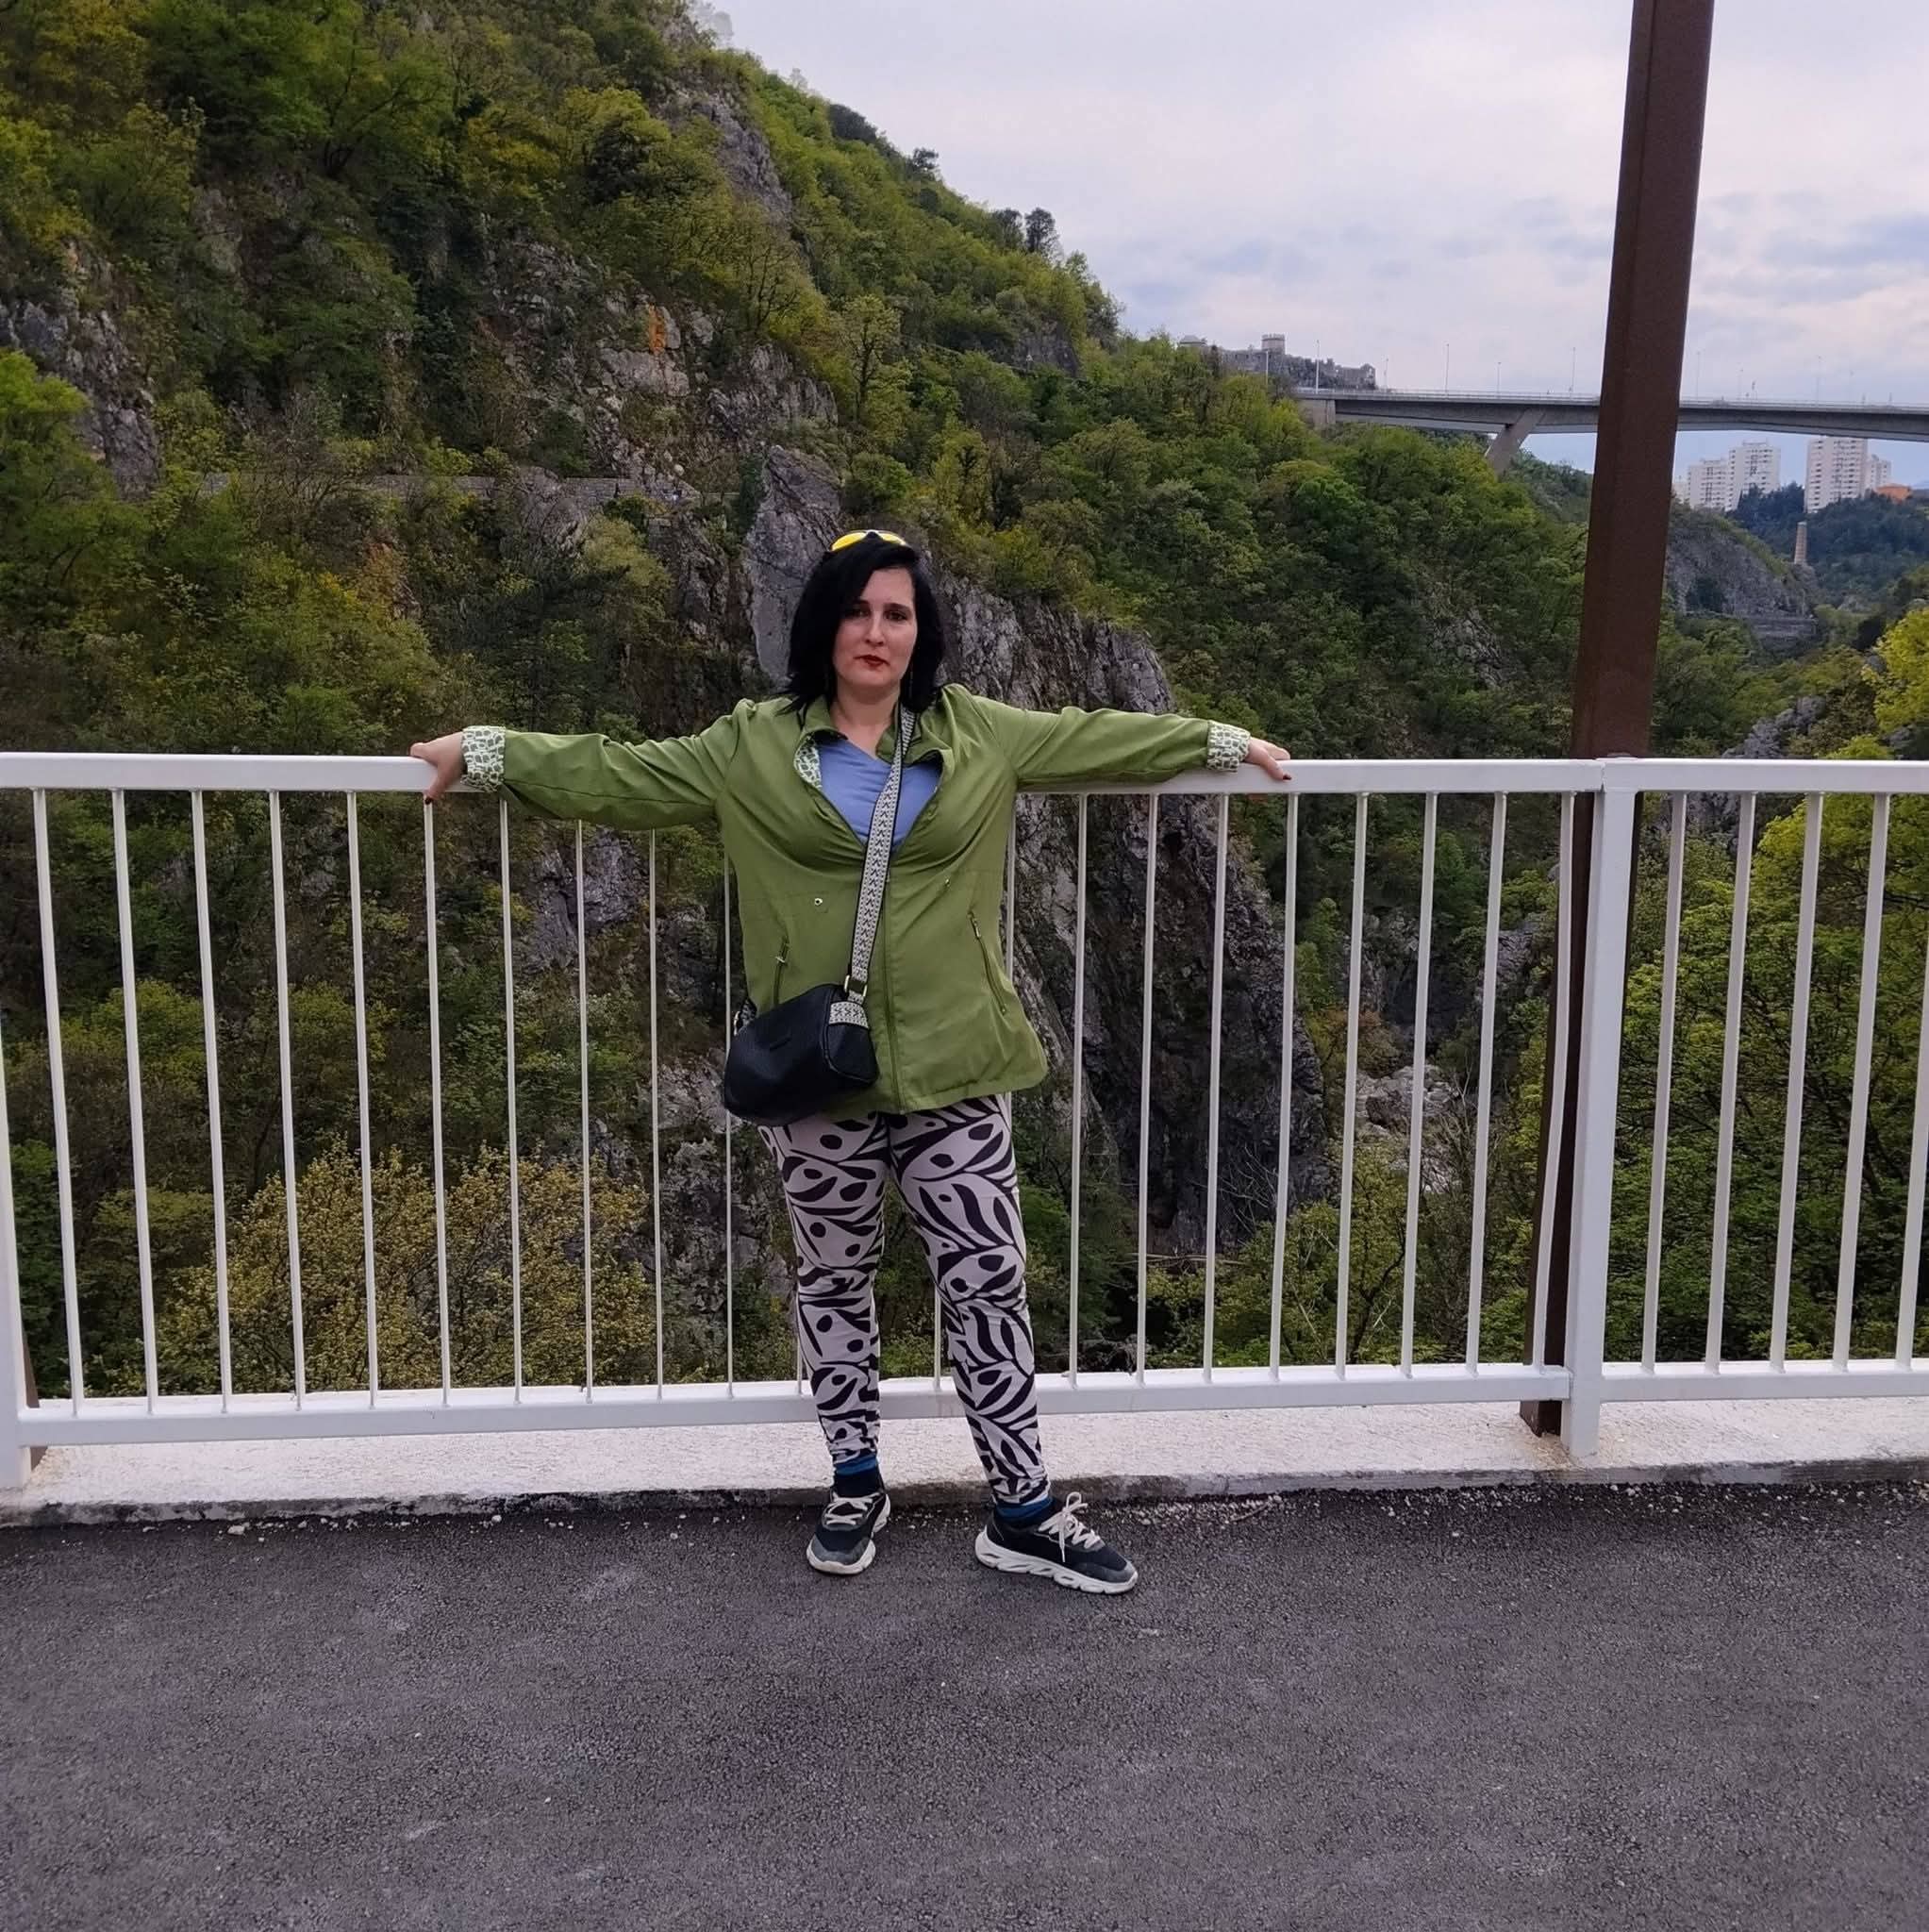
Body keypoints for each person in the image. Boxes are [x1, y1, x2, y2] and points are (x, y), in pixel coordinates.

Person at [412, 528, 1289, 1594]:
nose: (875, 631)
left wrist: (1219, 741)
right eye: (857, 610)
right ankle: (854, 1477)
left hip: (956, 1063)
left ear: (920, 632)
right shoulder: (751, 745)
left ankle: (1021, 1506)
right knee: (833, 1277)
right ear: (822, 623)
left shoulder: (976, 731)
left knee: (987, 1278)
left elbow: (1095, 737)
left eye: (896, 614)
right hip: (819, 1074)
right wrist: (486, 751)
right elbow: (619, 774)